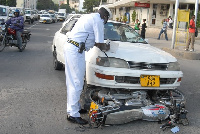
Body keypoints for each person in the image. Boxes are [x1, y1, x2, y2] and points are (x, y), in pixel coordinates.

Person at [63, 6, 112, 125]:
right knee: (77, 82)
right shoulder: (98, 21)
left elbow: (91, 38)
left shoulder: (89, 16)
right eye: (106, 19)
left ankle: (74, 108)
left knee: (72, 81)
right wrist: (107, 47)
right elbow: (99, 43)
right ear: (105, 17)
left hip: (71, 47)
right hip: (75, 50)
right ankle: (73, 114)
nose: (105, 22)